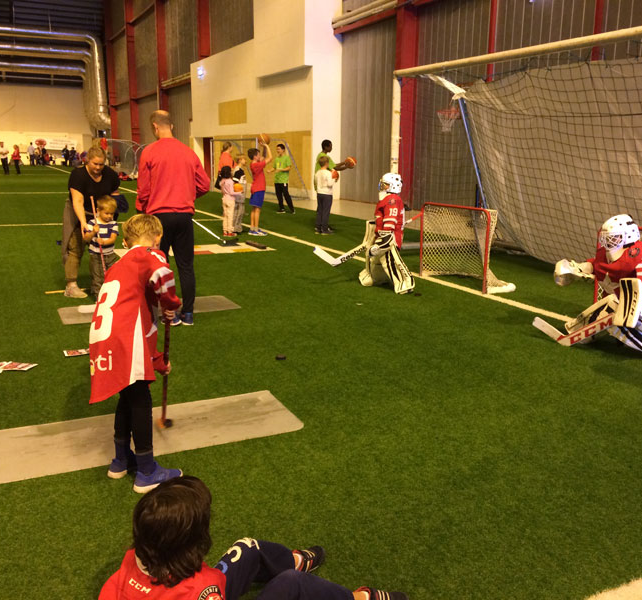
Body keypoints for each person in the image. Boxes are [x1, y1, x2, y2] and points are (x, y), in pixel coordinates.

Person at [98, 476, 409, 600]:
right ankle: (357, 599)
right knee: (291, 583)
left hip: (179, 585)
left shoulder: (133, 561)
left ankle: (291, 560)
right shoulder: (204, 590)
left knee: (247, 549)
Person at [89, 213, 183, 493]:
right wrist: (171, 302)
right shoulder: (149, 254)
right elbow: (162, 274)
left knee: (127, 396)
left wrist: (157, 360)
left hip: (106, 338)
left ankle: (121, 460)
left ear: (125, 241)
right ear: (157, 238)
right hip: (126, 337)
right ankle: (147, 470)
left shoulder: (119, 265)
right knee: (141, 398)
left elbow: (141, 310)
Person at [553, 213, 642, 368]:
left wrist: (638, 297)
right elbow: (597, 266)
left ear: (629, 235)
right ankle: (580, 332)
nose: (609, 241)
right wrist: (578, 268)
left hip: (640, 308)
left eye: (614, 237)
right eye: (607, 237)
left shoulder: (637, 251)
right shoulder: (603, 254)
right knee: (607, 307)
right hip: (615, 303)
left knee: (613, 312)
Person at [137, 110, 211, 327]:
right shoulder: (189, 152)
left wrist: (141, 210)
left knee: (161, 266)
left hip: (159, 217)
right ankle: (188, 313)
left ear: (154, 127)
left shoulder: (149, 152)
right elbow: (204, 185)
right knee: (186, 266)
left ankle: (169, 312)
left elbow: (143, 189)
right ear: (172, 126)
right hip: (184, 216)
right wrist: (187, 196)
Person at [62, 146, 121, 299]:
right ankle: (71, 286)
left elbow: (114, 194)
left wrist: (112, 214)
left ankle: (105, 281)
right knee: (75, 248)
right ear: (87, 160)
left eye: (101, 164)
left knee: (102, 249)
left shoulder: (110, 175)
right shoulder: (78, 175)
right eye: (95, 164)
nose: (98, 168)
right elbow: (78, 201)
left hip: (101, 214)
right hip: (79, 212)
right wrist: (83, 223)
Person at [358, 173, 415, 295]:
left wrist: (383, 241)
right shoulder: (389, 199)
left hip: (389, 238)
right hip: (383, 236)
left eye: (385, 184)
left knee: (389, 260)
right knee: (377, 260)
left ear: (392, 186)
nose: (382, 186)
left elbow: (390, 221)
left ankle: (404, 283)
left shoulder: (392, 200)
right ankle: (378, 277)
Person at [82, 195, 120, 296]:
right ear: (98, 211)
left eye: (111, 213)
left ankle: (110, 294)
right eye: (106, 213)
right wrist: (93, 232)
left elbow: (113, 239)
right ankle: (98, 296)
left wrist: (104, 242)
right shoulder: (92, 223)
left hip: (110, 255)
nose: (109, 216)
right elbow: (86, 239)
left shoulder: (114, 224)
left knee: (112, 276)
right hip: (96, 255)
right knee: (97, 277)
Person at [247, 142, 271, 236]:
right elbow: (270, 158)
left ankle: (252, 228)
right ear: (255, 157)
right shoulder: (257, 165)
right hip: (259, 188)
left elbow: (263, 157)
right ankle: (256, 230)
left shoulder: (253, 164)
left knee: (254, 209)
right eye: (258, 155)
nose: (260, 156)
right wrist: (267, 146)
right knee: (257, 210)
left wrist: (264, 148)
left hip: (255, 188)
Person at [313, 157, 336, 235]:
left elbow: (315, 182)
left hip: (319, 193)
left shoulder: (317, 172)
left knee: (320, 210)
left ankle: (318, 227)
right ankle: (324, 229)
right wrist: (334, 179)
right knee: (326, 212)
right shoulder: (328, 173)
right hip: (327, 194)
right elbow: (329, 184)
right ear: (326, 163)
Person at [273, 143, 294, 214]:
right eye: (277, 149)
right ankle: (281, 208)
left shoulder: (286, 158)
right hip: (277, 180)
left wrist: (281, 170)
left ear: (283, 150)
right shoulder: (276, 159)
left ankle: (292, 209)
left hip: (283, 180)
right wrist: (270, 170)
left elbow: (289, 168)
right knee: (278, 195)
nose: (277, 150)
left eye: (279, 149)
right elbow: (274, 167)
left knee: (286, 194)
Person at [232, 155, 248, 236]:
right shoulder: (238, 170)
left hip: (240, 195)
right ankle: (235, 228)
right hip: (239, 195)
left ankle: (236, 227)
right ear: (240, 160)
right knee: (238, 211)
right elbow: (235, 182)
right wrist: (238, 192)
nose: (246, 161)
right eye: (244, 159)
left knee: (239, 211)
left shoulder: (241, 170)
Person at [219, 166, 237, 239]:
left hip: (224, 199)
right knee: (230, 216)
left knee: (225, 216)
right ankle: (230, 232)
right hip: (230, 200)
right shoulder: (230, 181)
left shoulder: (222, 181)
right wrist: (239, 192)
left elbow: (222, 191)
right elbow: (232, 192)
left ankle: (225, 231)